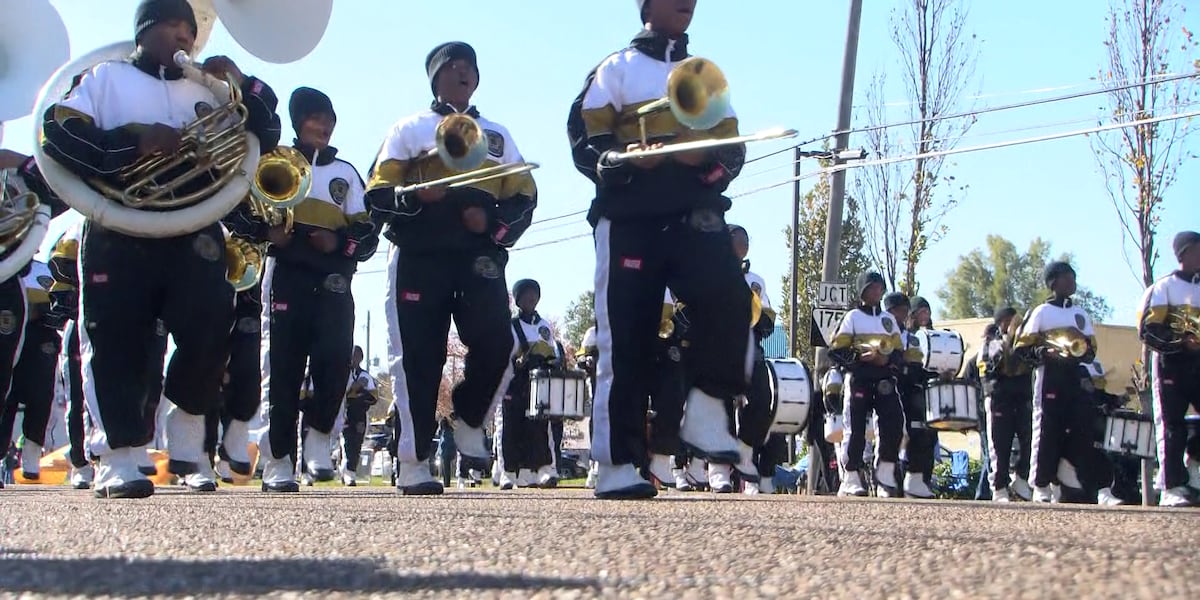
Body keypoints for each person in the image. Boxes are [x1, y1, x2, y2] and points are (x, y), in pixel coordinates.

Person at [39, 0, 282, 498]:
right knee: (115, 342)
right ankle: (119, 458)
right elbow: (59, 135)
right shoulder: (105, 78)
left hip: (193, 227)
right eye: (172, 26)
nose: (184, 37)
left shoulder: (208, 88)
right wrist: (135, 146)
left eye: (189, 29)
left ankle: (188, 433)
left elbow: (267, 131)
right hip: (118, 225)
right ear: (145, 33)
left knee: (211, 331)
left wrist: (242, 80)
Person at [567, 0, 752, 499]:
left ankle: (710, 408)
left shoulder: (705, 75)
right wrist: (622, 162)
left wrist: (707, 165)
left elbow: (733, 150)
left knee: (732, 299)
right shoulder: (615, 69)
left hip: (695, 211)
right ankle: (616, 464)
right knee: (625, 339)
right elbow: (586, 141)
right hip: (629, 218)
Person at [366, 41, 536, 495]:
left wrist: (494, 224)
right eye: (453, 67)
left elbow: (525, 197)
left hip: (478, 258)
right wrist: (413, 198)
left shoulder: (498, 135)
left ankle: (469, 416)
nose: (463, 73)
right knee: (419, 360)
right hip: (418, 255)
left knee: (500, 342)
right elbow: (377, 196)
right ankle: (415, 462)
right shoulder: (409, 129)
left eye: (470, 68)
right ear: (435, 77)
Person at [225, 85, 376, 492]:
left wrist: (339, 243)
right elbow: (239, 213)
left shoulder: (346, 173)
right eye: (314, 117)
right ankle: (278, 461)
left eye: (328, 118)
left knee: (333, 364)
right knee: (282, 371)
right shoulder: (271, 162)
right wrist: (267, 232)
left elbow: (367, 236)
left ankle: (318, 442)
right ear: (297, 122)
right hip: (285, 275)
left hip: (333, 279)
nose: (323, 125)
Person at [1012, 261, 1096, 503]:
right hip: (1049, 376)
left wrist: (1082, 352)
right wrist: (1042, 354)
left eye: (1074, 277)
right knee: (1046, 429)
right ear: (1053, 283)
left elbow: (1091, 351)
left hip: (1073, 376)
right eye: (1066, 277)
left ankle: (1065, 474)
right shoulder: (1041, 312)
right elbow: (1022, 348)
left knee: (1078, 426)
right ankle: (1040, 483)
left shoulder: (1080, 314)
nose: (1072, 281)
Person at [1137, 230, 1200, 507]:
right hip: (1171, 366)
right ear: (1184, 253)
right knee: (1171, 426)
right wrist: (1180, 343)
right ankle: (1171, 487)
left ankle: (1192, 464)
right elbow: (1147, 331)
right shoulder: (1163, 288)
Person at [828, 272, 904, 497]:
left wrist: (887, 360)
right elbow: (836, 350)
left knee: (894, 423)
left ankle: (885, 476)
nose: (876, 292)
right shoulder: (852, 317)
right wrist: (859, 358)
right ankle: (850, 476)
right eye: (872, 288)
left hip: (884, 380)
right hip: (859, 378)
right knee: (855, 428)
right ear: (863, 292)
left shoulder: (888, 320)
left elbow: (900, 352)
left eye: (880, 288)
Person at [498, 279, 564, 489]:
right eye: (526, 295)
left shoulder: (544, 325)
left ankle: (542, 469)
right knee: (511, 426)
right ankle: (508, 472)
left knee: (539, 426)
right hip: (515, 381)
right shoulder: (510, 325)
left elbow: (551, 350)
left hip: (539, 380)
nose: (530, 298)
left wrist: (554, 362)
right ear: (518, 300)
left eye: (534, 294)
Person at [0, 260, 61, 481]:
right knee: (6, 398)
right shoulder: (7, 268)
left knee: (41, 398)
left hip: (41, 338)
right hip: (9, 334)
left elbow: (60, 302)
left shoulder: (45, 271)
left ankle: (32, 457)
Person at [978, 308, 1034, 502]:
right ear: (1000, 322)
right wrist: (1007, 343)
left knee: (1027, 441)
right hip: (999, 397)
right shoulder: (990, 342)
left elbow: (1033, 361)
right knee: (999, 445)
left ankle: (1021, 480)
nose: (1012, 324)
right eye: (1008, 321)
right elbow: (990, 364)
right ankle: (999, 487)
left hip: (1022, 396)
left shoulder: (1025, 341)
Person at [884, 292, 936, 499]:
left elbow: (917, 367)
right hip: (885, 391)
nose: (901, 315)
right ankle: (886, 481)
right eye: (897, 311)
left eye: (904, 311)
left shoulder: (912, 339)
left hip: (910, 392)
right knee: (889, 436)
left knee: (921, 432)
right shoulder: (879, 333)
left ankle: (915, 479)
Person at [341, 346, 377, 486]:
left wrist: (359, 392)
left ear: (360, 358)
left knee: (356, 443)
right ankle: (346, 470)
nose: (353, 359)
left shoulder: (365, 376)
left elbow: (373, 397)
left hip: (359, 416)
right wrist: (354, 389)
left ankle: (350, 471)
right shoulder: (343, 374)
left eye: (356, 356)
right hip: (344, 414)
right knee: (346, 443)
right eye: (351, 356)